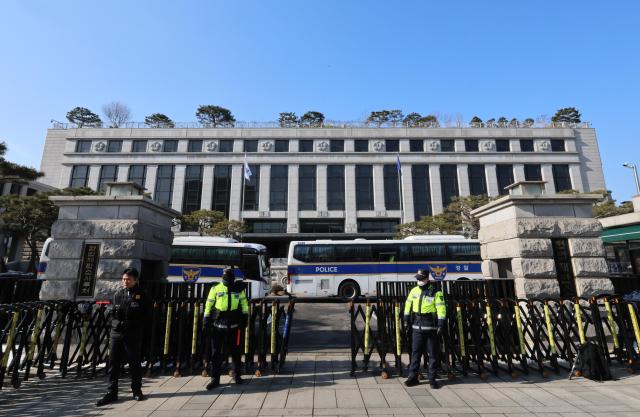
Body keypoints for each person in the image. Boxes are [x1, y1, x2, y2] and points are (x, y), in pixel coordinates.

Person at [97, 267, 149, 406]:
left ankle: (137, 390)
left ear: (135, 280)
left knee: (134, 363)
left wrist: (132, 325)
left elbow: (145, 316)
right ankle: (111, 392)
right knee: (113, 363)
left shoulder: (142, 295)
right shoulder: (118, 294)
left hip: (132, 334)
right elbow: (113, 314)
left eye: (129, 279)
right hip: (117, 333)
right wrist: (115, 323)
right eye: (124, 279)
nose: (125, 282)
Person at [203, 267, 249, 390]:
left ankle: (236, 375)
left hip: (234, 325)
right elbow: (209, 304)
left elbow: (244, 304)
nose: (228, 277)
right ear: (223, 276)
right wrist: (206, 318)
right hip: (218, 326)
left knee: (235, 352)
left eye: (230, 275)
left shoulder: (239, 289)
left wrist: (245, 316)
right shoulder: (216, 288)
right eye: (226, 274)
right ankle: (215, 379)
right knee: (216, 354)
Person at [403, 269, 446, 389]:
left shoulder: (436, 292)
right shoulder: (414, 290)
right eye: (418, 278)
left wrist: (441, 323)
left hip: (431, 327)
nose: (419, 281)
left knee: (432, 354)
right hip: (417, 326)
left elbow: (441, 308)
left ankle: (432, 379)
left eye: (421, 278)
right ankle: (412, 378)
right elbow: (408, 304)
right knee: (415, 353)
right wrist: (406, 318)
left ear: (427, 278)